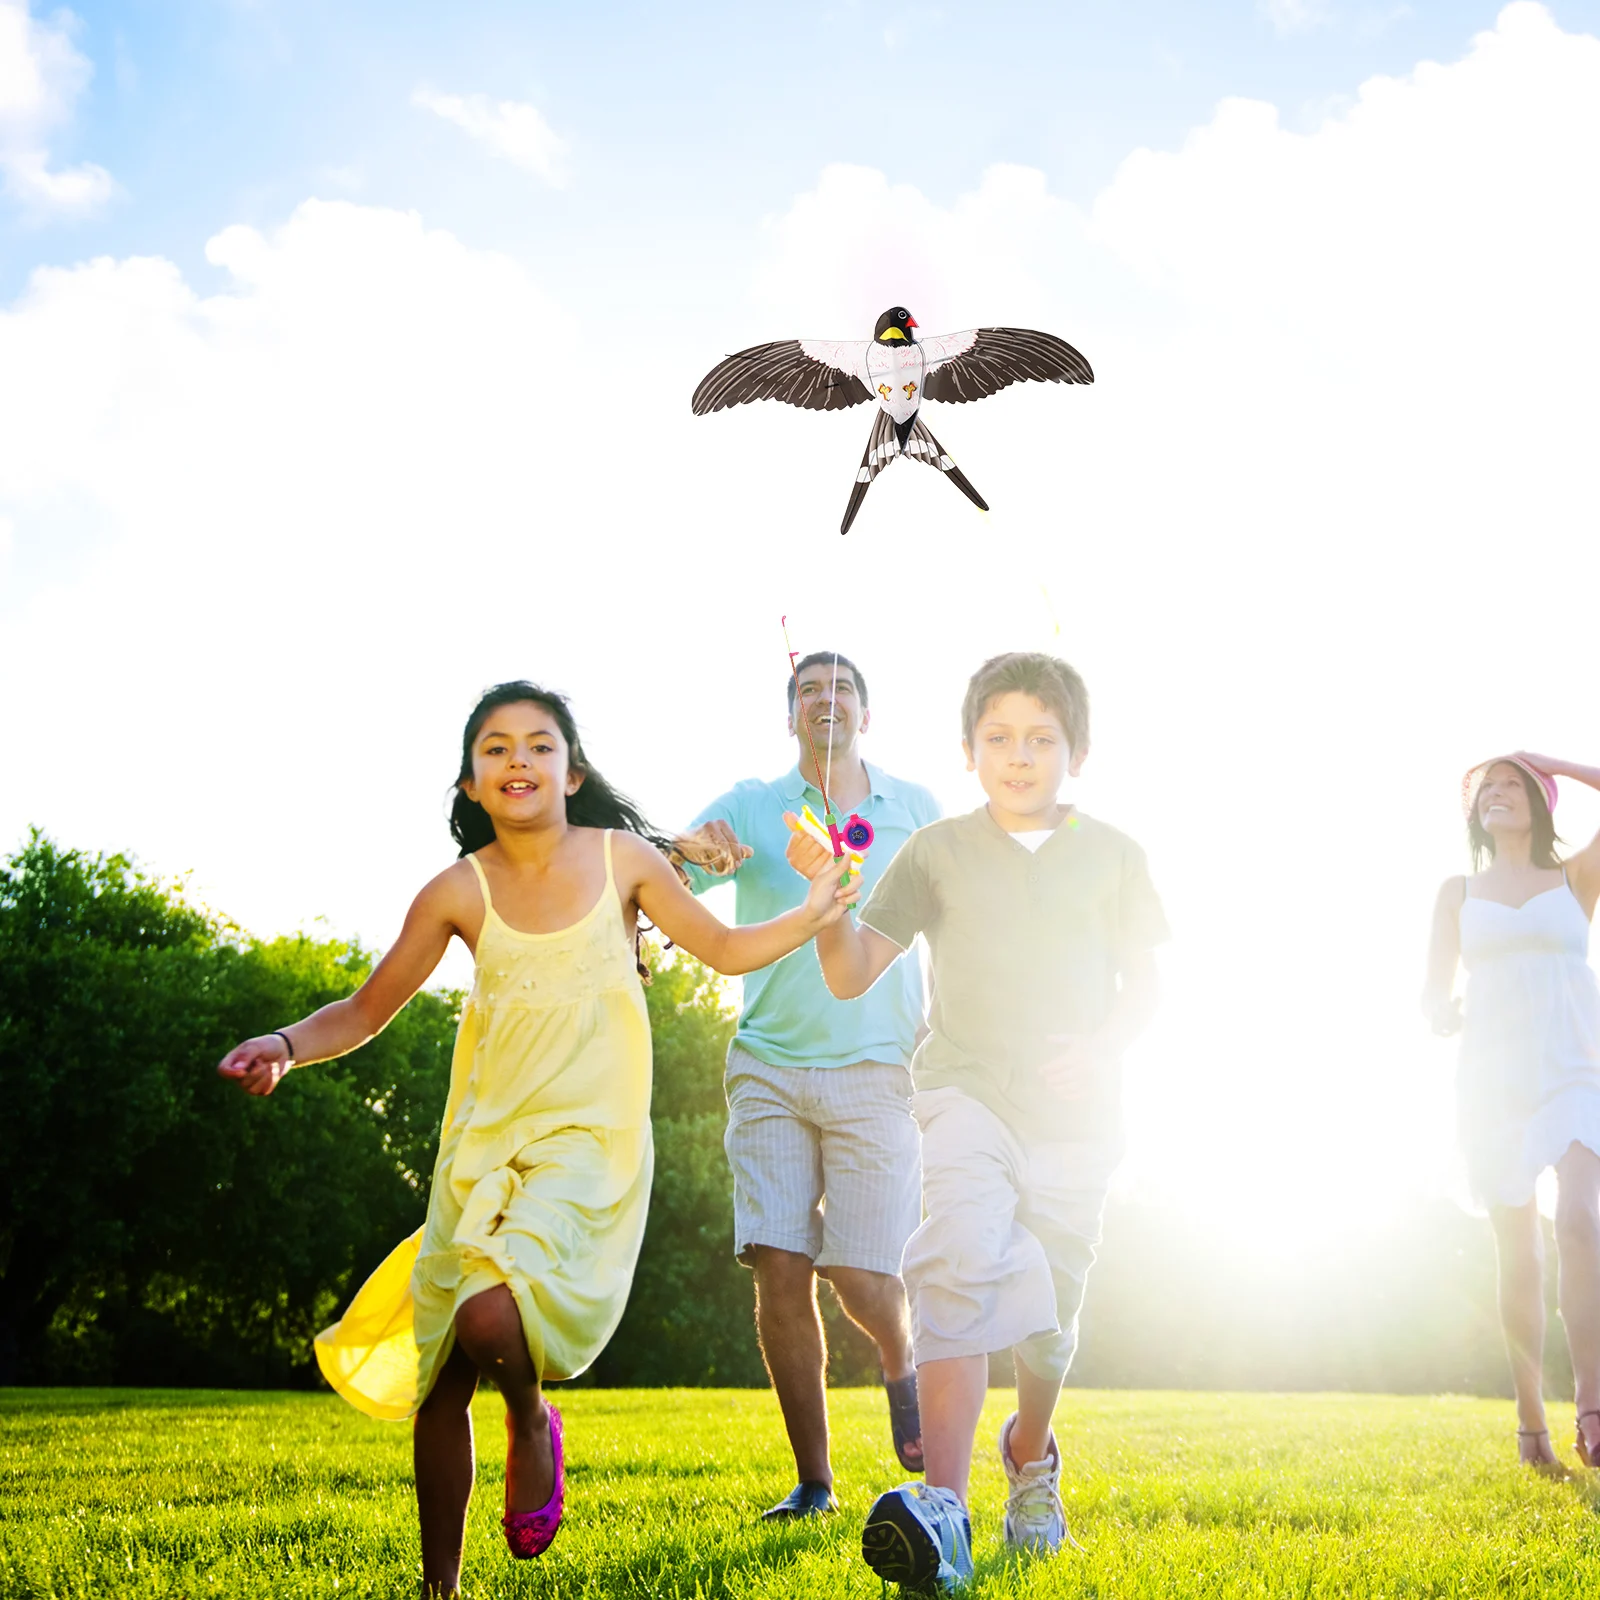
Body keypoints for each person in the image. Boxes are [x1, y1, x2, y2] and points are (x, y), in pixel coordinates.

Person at [216, 681, 858, 1597]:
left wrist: (808, 915)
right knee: (441, 1375)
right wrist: (285, 1046)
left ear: (573, 771)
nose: (518, 759)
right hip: (481, 1140)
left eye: (539, 745)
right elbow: (364, 1010)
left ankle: (527, 1417)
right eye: (496, 749)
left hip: (585, 1144)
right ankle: (441, 1585)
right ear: (472, 785)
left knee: (488, 1317)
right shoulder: (455, 891)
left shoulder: (624, 860)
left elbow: (719, 947)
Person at [787, 651, 1166, 1592]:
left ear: (1077, 749)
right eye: (998, 737)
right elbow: (847, 972)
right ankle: (944, 1511)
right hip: (963, 1092)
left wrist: (1104, 1048)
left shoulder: (1116, 854)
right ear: (968, 750)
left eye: (1041, 737)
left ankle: (1029, 1454)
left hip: (1079, 1116)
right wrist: (826, 902)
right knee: (955, 1255)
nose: (1020, 754)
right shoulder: (935, 852)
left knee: (1050, 1324)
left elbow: (1148, 984)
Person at [681, 650, 941, 1518]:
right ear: (789, 711)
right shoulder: (752, 804)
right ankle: (815, 1484)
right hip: (769, 1067)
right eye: (808, 689)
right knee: (780, 1265)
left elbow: (956, 923)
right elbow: (679, 864)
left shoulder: (913, 810)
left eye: (840, 690)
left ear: (866, 713)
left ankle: (900, 1354)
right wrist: (692, 848)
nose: (823, 699)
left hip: (879, 1068)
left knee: (864, 1276)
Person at [1423, 752, 1600, 1471]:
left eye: (1511, 784)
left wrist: (1548, 759)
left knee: (1583, 1218)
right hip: (1493, 1081)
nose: (1496, 793)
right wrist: (1440, 1012)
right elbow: (1431, 992)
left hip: (1575, 1067)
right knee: (1519, 1254)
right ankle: (1533, 1429)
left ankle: (1594, 1406)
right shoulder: (1456, 891)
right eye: (1485, 787)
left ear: (1539, 801)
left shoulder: (1575, 879)